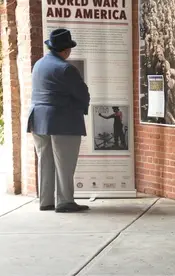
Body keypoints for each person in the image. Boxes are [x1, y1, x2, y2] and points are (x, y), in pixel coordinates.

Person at [27, 28, 90, 213]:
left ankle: (46, 201)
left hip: (38, 119)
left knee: (45, 161)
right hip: (63, 120)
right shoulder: (66, 68)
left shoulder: (38, 64)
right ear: (66, 50)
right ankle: (65, 201)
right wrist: (81, 106)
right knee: (65, 162)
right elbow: (82, 93)